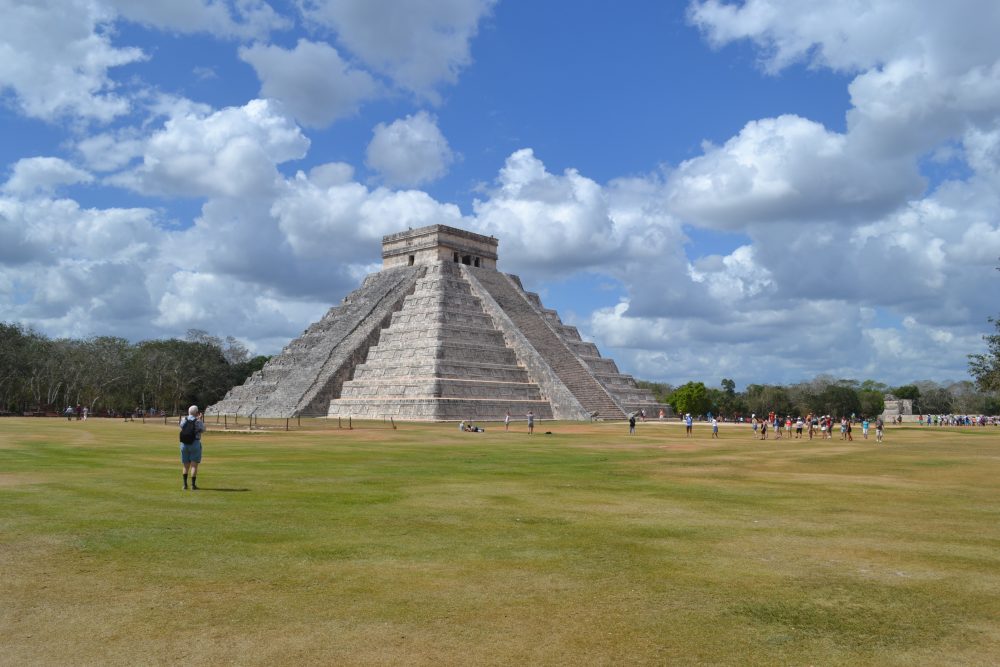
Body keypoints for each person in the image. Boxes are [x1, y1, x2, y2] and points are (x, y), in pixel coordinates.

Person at [179, 405, 205, 490]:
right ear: (197, 412)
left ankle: (184, 485)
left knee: (185, 465)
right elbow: (203, 430)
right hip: (195, 443)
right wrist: (200, 419)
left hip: (184, 444)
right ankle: (193, 485)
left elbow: (181, 426)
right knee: (194, 465)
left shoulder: (184, 419)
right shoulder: (198, 421)